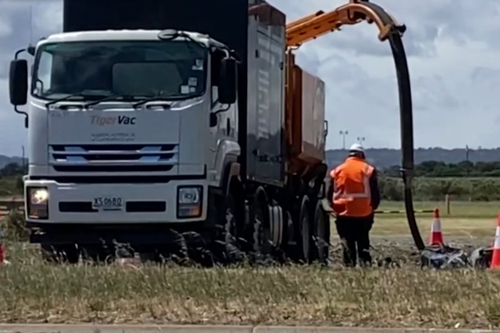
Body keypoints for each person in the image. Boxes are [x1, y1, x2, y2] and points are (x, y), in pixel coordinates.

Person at [327, 143, 380, 267]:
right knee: (363, 241)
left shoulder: (337, 171)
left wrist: (334, 207)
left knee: (347, 241)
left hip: (343, 212)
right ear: (362, 155)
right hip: (364, 212)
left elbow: (329, 192)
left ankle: (349, 265)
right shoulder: (368, 169)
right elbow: (374, 192)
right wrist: (373, 207)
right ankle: (365, 265)